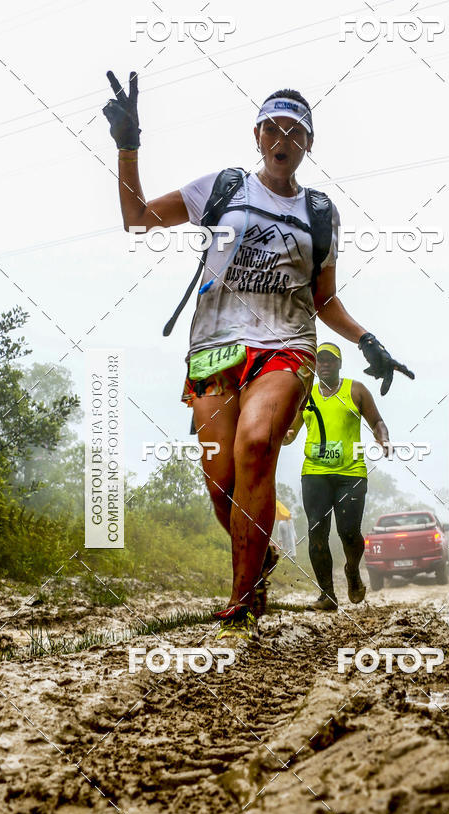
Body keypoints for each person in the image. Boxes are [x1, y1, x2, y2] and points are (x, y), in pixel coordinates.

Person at [103, 72, 413, 642]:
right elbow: (138, 217)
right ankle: (261, 556)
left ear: (307, 146)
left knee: (254, 445)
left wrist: (368, 340)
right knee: (222, 485)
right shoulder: (222, 188)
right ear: (258, 133)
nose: (283, 137)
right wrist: (128, 145)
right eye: (274, 126)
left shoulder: (320, 213)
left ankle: (241, 604)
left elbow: (325, 301)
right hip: (213, 352)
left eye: (295, 131)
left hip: (286, 346)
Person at [283, 342, 390, 610]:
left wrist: (383, 438)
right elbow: (291, 430)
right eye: (321, 360)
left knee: (348, 532)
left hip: (350, 473)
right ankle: (327, 595)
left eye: (331, 360)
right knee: (316, 530)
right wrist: (280, 437)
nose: (325, 364)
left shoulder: (355, 390)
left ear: (340, 364)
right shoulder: (306, 395)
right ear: (315, 365)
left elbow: (377, 421)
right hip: (315, 473)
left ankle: (352, 570)